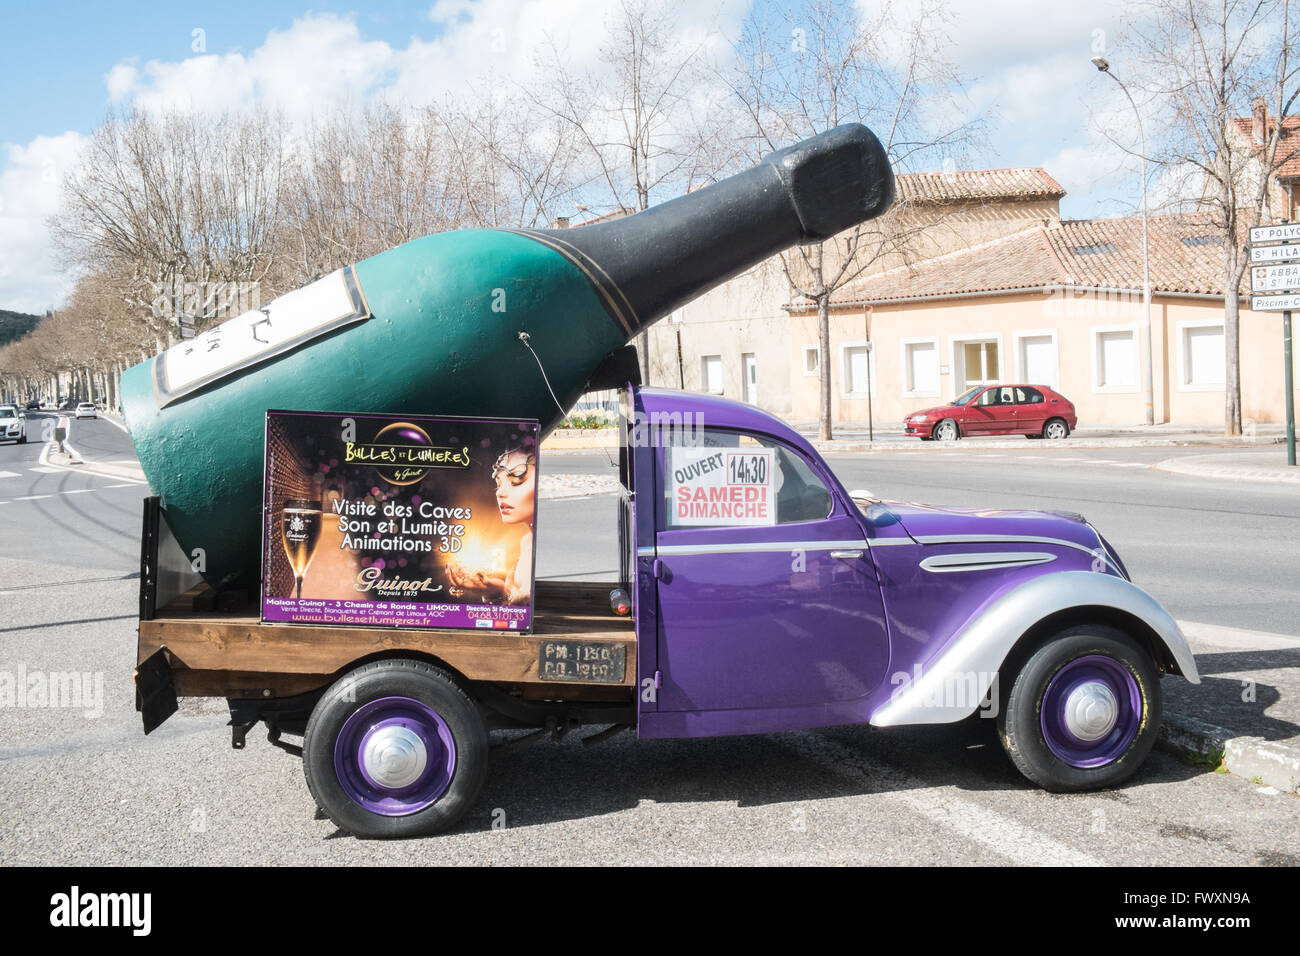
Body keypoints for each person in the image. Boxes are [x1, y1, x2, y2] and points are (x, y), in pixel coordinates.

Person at [446, 448, 535, 605]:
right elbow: (516, 610)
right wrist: (495, 591)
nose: (499, 493)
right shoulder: (526, 542)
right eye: (498, 484)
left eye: (516, 481)